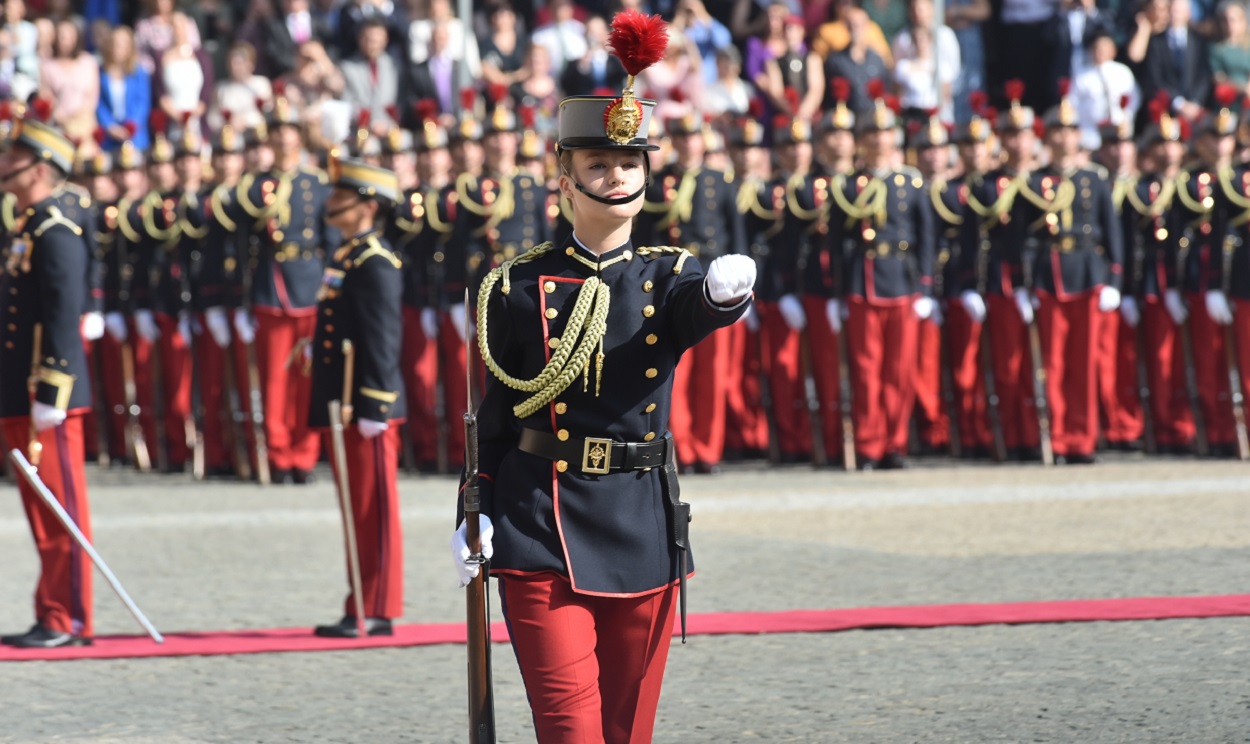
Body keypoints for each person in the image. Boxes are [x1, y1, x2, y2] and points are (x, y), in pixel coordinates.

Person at [450, 11, 756, 741]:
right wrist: (475, 507)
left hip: (640, 521)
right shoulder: (515, 287)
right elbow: (493, 417)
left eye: (628, 164)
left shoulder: (670, 275)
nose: (615, 175)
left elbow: (697, 310)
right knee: (570, 729)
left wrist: (725, 295)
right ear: (566, 179)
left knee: (628, 731)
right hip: (538, 525)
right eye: (597, 165)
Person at [0, 110, 95, 649]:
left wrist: (52, 391)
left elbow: (63, 314)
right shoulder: (28, 226)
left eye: (14, 158)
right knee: (41, 513)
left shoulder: (55, 229)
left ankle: (70, 617)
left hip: (47, 395)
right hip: (22, 390)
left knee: (62, 512)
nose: (5, 165)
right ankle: (50, 610)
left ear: (39, 169)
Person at [310, 156, 405, 638]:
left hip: (366, 404)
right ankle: (360, 602)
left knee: (375, 510)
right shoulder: (348, 255)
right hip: (345, 402)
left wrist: (376, 404)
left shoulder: (375, 262)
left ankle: (380, 606)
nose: (330, 202)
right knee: (356, 509)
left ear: (365, 206)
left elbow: (383, 341)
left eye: (340, 195)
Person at [38, 19, 99, 142]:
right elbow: (45, 95)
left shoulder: (88, 62)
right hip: (58, 126)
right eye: (62, 36)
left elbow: (93, 96)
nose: (65, 40)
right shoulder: (47, 65)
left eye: (70, 36)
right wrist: (60, 116)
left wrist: (77, 117)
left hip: (84, 125)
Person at [97, 25, 152, 152]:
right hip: (109, 138)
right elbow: (99, 103)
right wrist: (110, 126)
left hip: (135, 137)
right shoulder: (101, 73)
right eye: (115, 44)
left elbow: (142, 102)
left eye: (122, 45)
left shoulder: (138, 73)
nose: (118, 48)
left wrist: (131, 126)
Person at [1209, 0, 1250, 92]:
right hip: (1228, 98)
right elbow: (1218, 77)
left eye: (1233, 20)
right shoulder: (1217, 49)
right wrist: (1242, 87)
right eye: (1225, 20)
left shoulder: (1247, 46)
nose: (1230, 25)